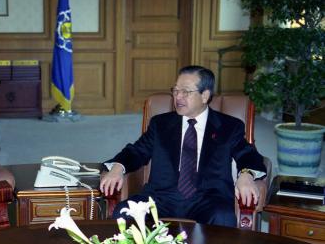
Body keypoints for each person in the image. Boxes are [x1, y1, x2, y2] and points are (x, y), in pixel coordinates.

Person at [100, 65, 266, 227]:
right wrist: (117, 167)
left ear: (205, 95)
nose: (178, 97)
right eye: (175, 90)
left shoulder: (228, 126)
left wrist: (246, 174)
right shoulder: (161, 124)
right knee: (125, 211)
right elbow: (137, 151)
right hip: (161, 197)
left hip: (208, 199)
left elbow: (248, 155)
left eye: (185, 92)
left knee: (222, 216)